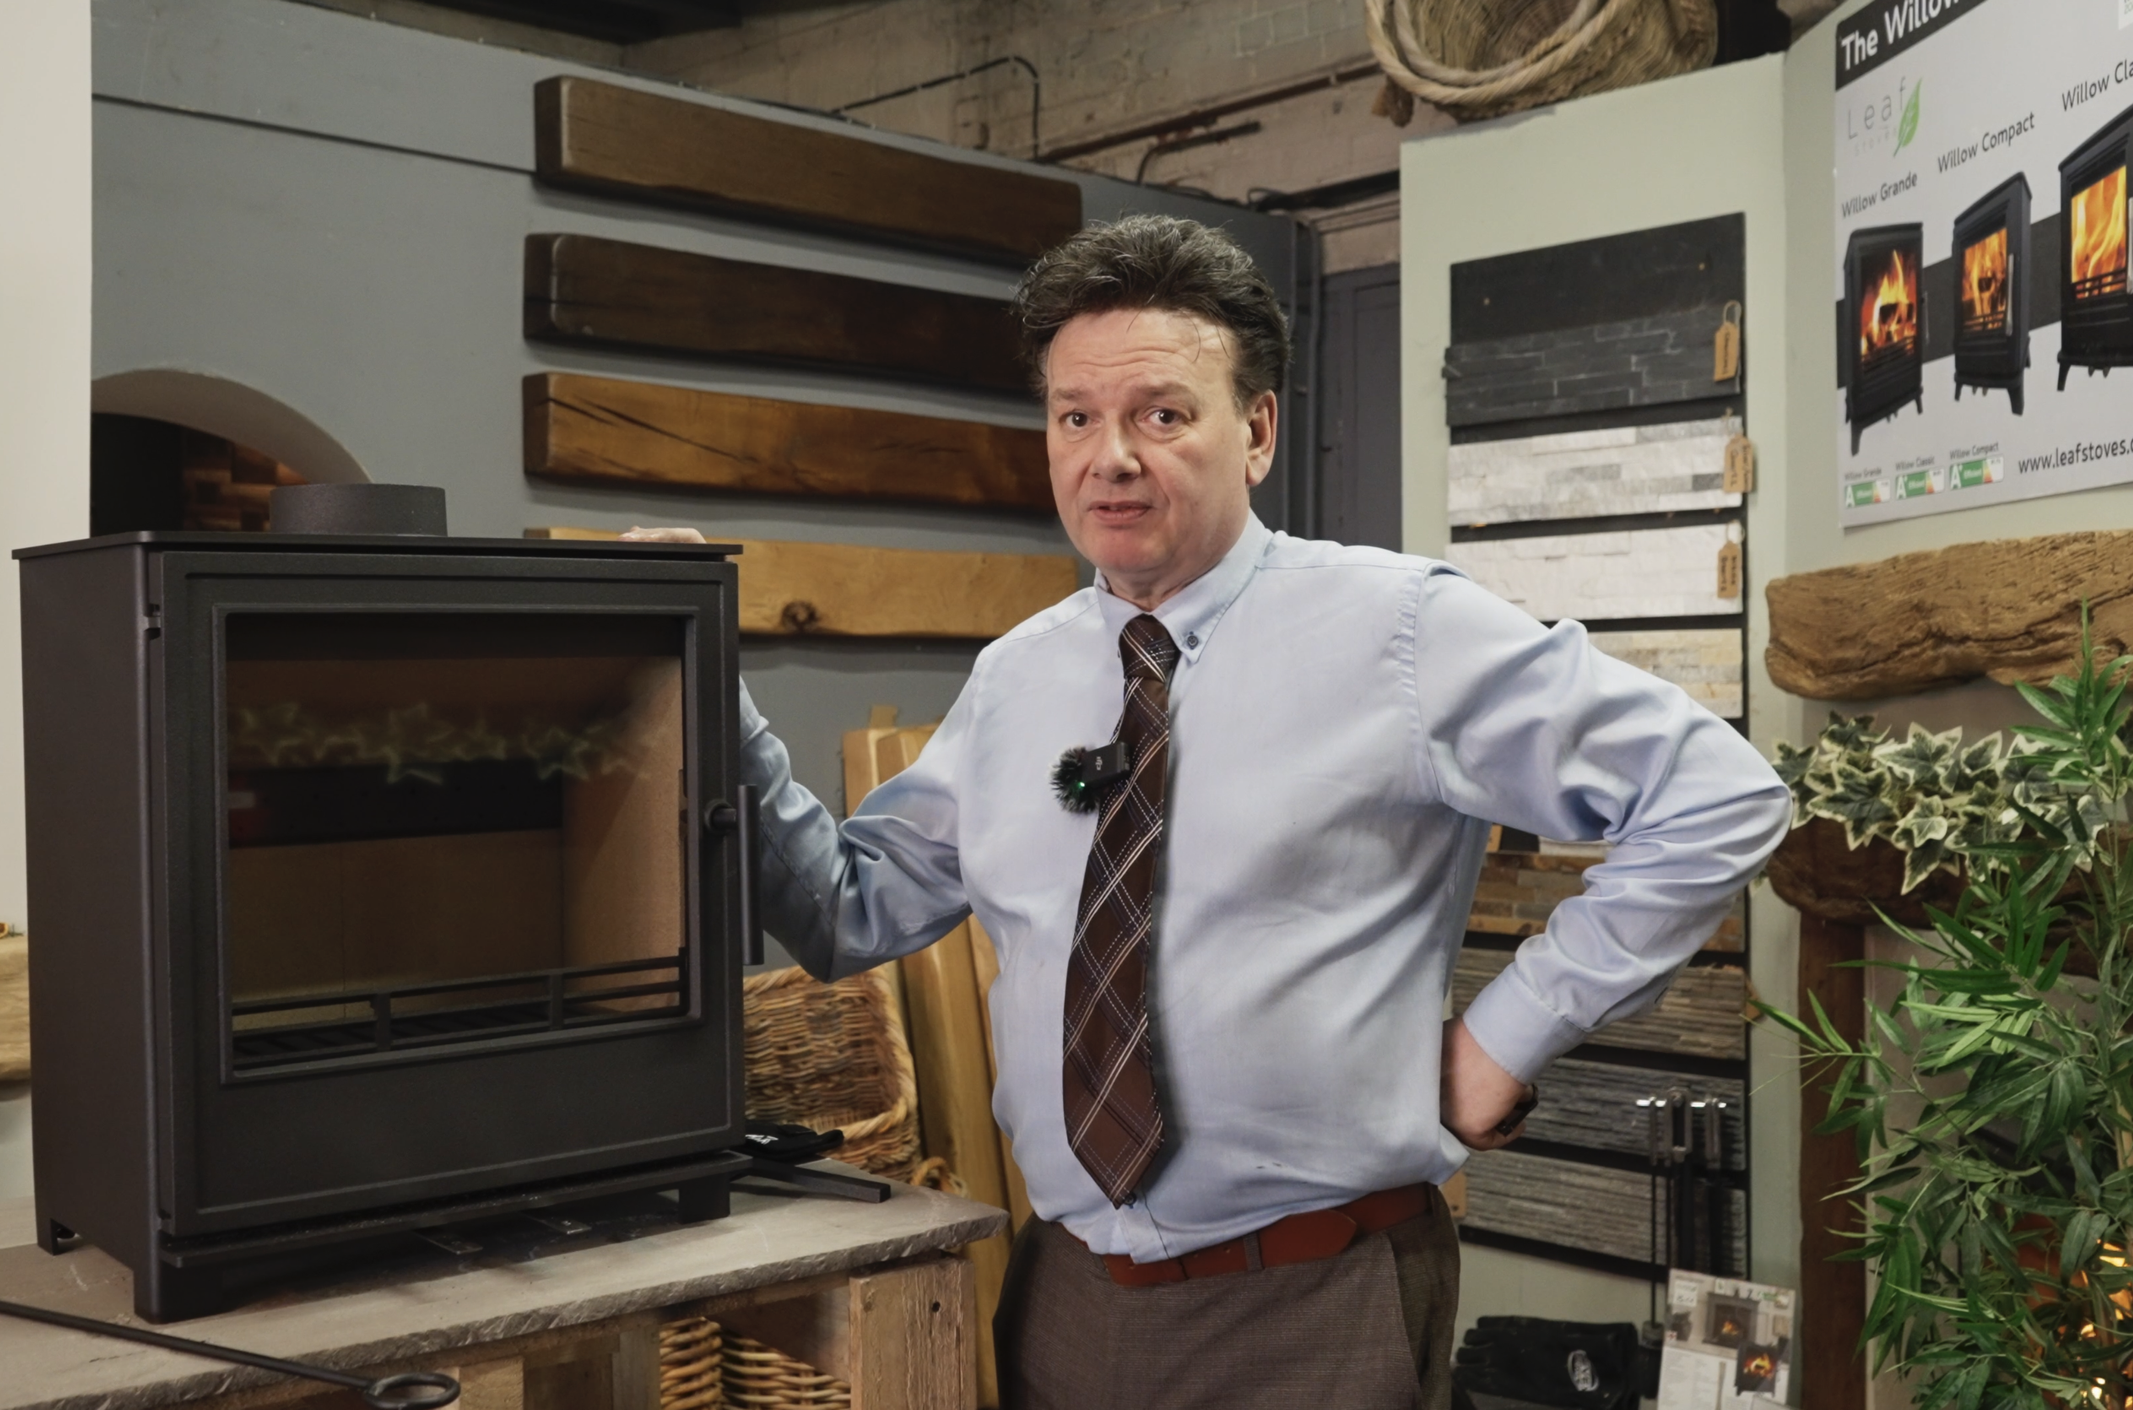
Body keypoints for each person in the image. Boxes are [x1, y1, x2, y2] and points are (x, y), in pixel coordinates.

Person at [632, 215, 1789, 1410]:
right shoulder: (1018, 678)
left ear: (1258, 432)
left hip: (1314, 1303)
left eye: (1161, 414)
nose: (1109, 456)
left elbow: (1716, 796)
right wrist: (707, 680)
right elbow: (845, 908)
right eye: (1075, 416)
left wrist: (1505, 1040)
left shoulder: (1399, 632)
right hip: (1067, 1295)